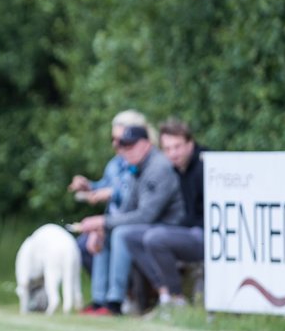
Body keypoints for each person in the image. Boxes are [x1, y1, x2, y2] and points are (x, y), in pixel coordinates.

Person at [73, 124, 184, 315]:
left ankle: (116, 301)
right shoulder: (137, 167)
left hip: (169, 227)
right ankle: (100, 301)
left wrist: (104, 222)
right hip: (149, 227)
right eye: (124, 146)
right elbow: (126, 209)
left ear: (147, 144)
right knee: (106, 233)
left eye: (131, 145)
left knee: (122, 233)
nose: (126, 151)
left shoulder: (159, 167)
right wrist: (102, 227)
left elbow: (146, 215)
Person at [69, 110, 150, 315]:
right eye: (113, 139)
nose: (115, 144)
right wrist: (88, 186)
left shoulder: (142, 163)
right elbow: (103, 186)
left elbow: (135, 200)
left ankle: (115, 302)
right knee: (84, 244)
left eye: (120, 139)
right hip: (113, 221)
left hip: (130, 222)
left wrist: (111, 199)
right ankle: (101, 301)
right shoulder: (114, 165)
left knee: (108, 235)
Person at [129, 118, 206, 309]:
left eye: (177, 147)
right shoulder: (178, 169)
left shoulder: (207, 165)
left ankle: (175, 298)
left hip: (207, 235)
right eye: (168, 148)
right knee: (129, 235)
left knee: (155, 238)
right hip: (187, 228)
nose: (173, 153)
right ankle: (164, 292)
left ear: (190, 144)